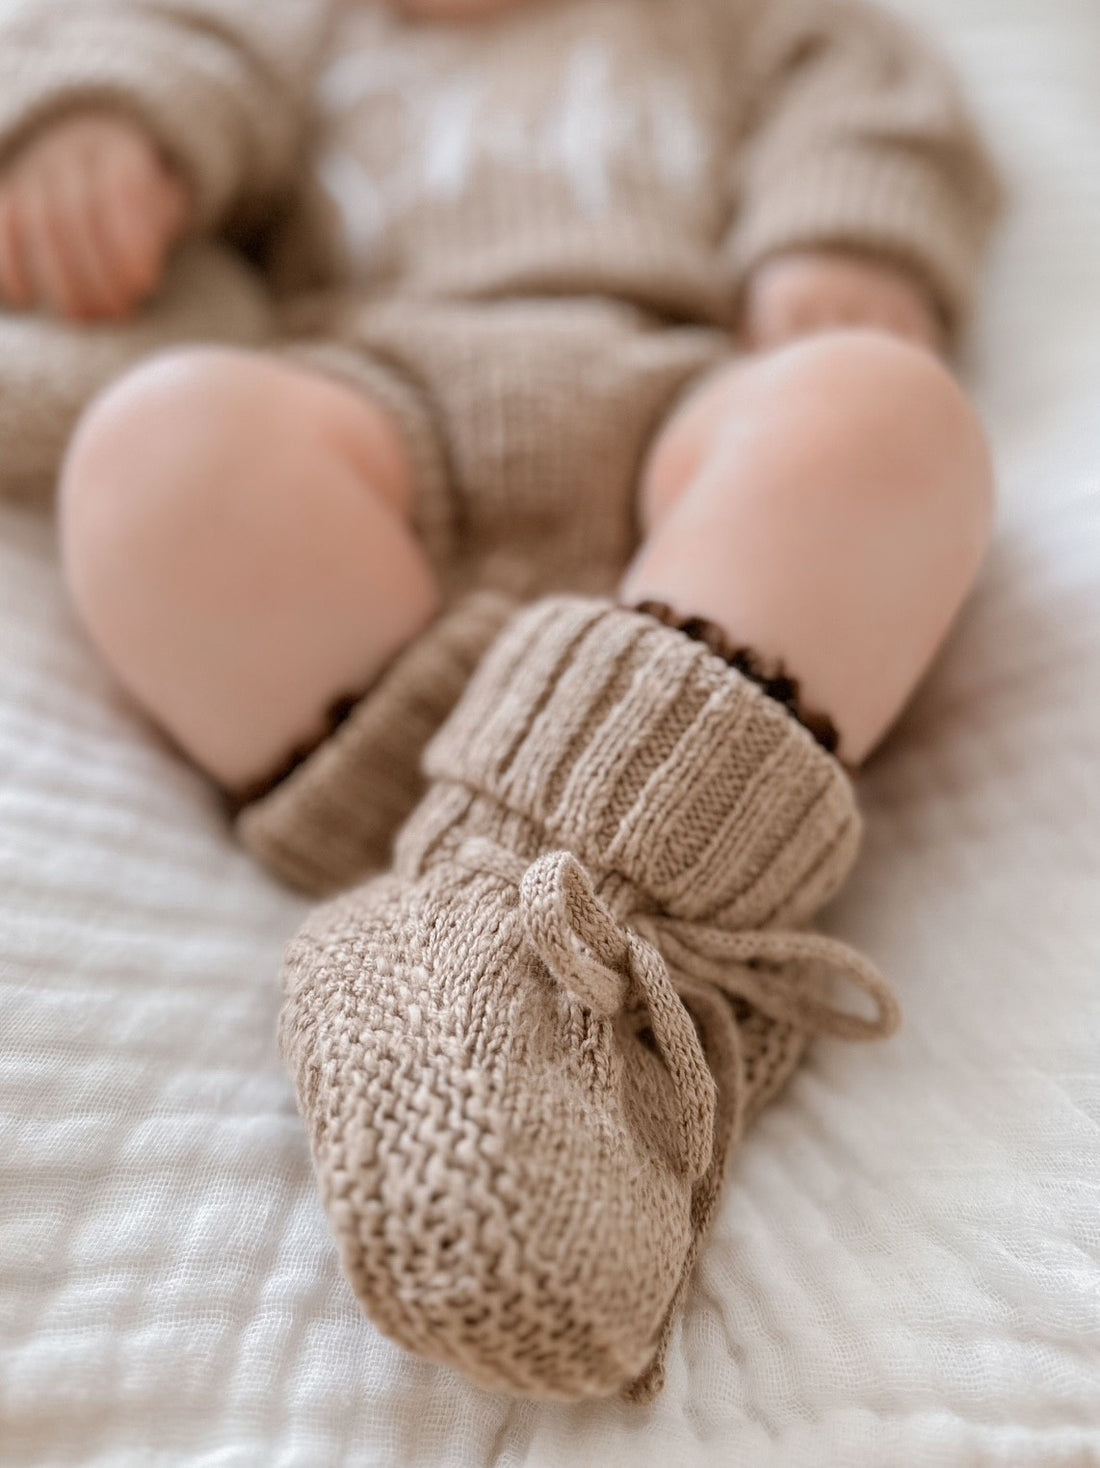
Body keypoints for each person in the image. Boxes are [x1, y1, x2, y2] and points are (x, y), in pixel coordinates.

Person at [0, 0, 999, 1399]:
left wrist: (843, 235)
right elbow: (165, 46)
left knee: (882, 411)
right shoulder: (301, 30)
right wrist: (102, 128)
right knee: (152, 449)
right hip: (382, 428)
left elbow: (867, 92)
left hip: (678, 427)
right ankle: (582, 915)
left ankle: (494, 938)